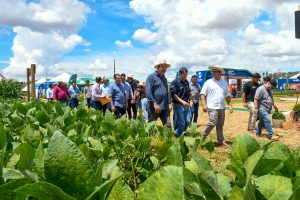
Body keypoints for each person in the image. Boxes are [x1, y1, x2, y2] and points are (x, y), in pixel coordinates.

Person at [200, 66, 233, 146]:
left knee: (220, 125)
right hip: (212, 106)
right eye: (212, 71)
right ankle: (202, 136)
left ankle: (220, 140)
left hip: (221, 107)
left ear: (219, 73)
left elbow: (227, 96)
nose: (212, 73)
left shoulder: (224, 83)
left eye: (214, 71)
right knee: (213, 122)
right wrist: (204, 105)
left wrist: (230, 106)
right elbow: (202, 94)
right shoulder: (208, 82)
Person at [146, 60, 171, 129]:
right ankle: (149, 139)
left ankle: (168, 139)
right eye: (162, 66)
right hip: (154, 107)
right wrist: (155, 103)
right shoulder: (151, 77)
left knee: (168, 125)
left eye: (165, 67)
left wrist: (169, 103)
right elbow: (148, 92)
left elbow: (167, 92)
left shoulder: (164, 79)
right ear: (157, 67)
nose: (164, 68)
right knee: (151, 126)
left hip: (164, 106)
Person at [170, 67, 191, 137]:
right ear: (180, 74)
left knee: (188, 121)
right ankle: (178, 135)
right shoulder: (175, 82)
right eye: (184, 74)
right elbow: (173, 95)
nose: (186, 76)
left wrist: (190, 99)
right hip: (178, 104)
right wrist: (182, 102)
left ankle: (179, 132)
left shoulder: (186, 82)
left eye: (186, 74)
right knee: (181, 121)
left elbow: (188, 92)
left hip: (186, 104)